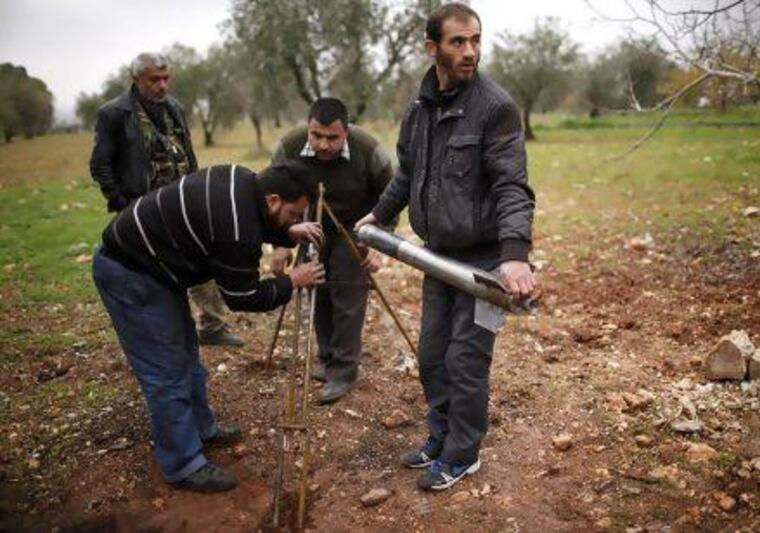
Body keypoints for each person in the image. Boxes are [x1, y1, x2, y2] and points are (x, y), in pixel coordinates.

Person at [356, 3, 536, 491]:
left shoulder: (495, 107)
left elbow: (512, 187)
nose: (470, 51)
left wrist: (515, 254)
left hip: (483, 265)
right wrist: (380, 215)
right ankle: (440, 435)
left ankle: (463, 454)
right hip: (437, 258)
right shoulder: (420, 108)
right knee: (433, 355)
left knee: (465, 360)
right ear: (432, 47)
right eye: (458, 42)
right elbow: (410, 174)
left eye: (476, 40)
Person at [92, 162, 325, 492]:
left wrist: (286, 233)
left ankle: (201, 429)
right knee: (165, 371)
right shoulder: (236, 229)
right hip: (131, 272)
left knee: (186, 354)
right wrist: (292, 281)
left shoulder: (245, 180)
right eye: (293, 214)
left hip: (156, 267)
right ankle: (183, 465)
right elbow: (242, 296)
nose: (295, 220)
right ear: (273, 200)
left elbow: (259, 221)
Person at [89, 52, 244, 347]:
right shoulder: (114, 113)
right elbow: (100, 165)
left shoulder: (174, 107)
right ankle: (161, 335)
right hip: (142, 209)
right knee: (152, 274)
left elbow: (186, 153)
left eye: (165, 78)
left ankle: (212, 327)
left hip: (183, 204)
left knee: (202, 259)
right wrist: (123, 204)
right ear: (136, 80)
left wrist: (199, 191)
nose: (162, 85)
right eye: (154, 80)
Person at [271, 98, 394, 404]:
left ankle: (343, 370)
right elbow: (271, 195)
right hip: (308, 223)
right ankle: (326, 358)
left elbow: (392, 196)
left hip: (356, 225)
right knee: (314, 286)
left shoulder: (369, 149)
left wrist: (378, 240)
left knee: (348, 291)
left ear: (346, 132)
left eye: (332, 138)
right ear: (309, 127)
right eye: (316, 136)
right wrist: (280, 241)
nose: (323, 145)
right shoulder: (289, 146)